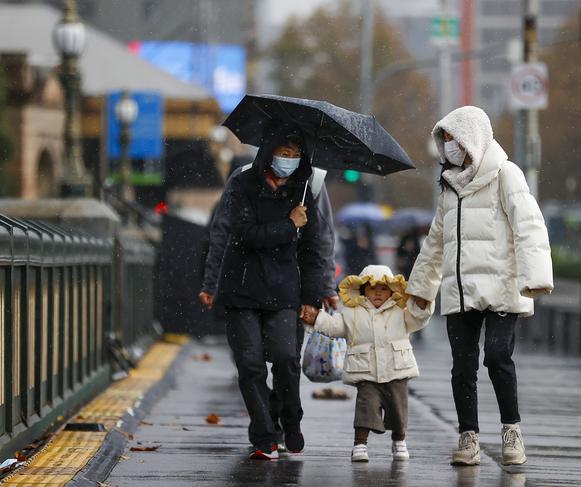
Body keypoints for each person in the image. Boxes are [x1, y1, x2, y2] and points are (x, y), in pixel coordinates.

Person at [406, 106, 553, 467]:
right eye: (444, 140)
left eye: (454, 138)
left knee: (498, 356)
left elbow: (529, 225)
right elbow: (436, 243)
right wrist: (420, 290)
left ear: (472, 136)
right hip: (460, 290)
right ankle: (468, 437)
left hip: (503, 288)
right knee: (462, 367)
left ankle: (511, 430)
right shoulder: (449, 187)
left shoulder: (506, 174)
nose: (449, 146)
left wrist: (535, 277)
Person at [199, 143, 339, 452]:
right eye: (282, 152)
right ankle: (263, 436)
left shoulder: (309, 188)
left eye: (294, 154)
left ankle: (290, 420)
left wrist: (315, 295)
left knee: (286, 359)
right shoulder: (242, 182)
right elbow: (236, 234)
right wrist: (289, 225)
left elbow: (317, 247)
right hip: (242, 289)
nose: (287, 161)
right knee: (250, 366)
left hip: (285, 290)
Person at [300, 265, 432, 463]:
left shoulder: (401, 311)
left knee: (399, 410)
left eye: (383, 289)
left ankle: (399, 441)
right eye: (372, 288)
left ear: (392, 291)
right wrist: (317, 317)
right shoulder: (352, 313)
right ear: (363, 291)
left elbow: (418, 319)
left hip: (396, 370)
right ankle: (360, 444)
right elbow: (334, 326)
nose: (378, 292)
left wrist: (421, 304)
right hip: (365, 371)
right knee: (365, 408)